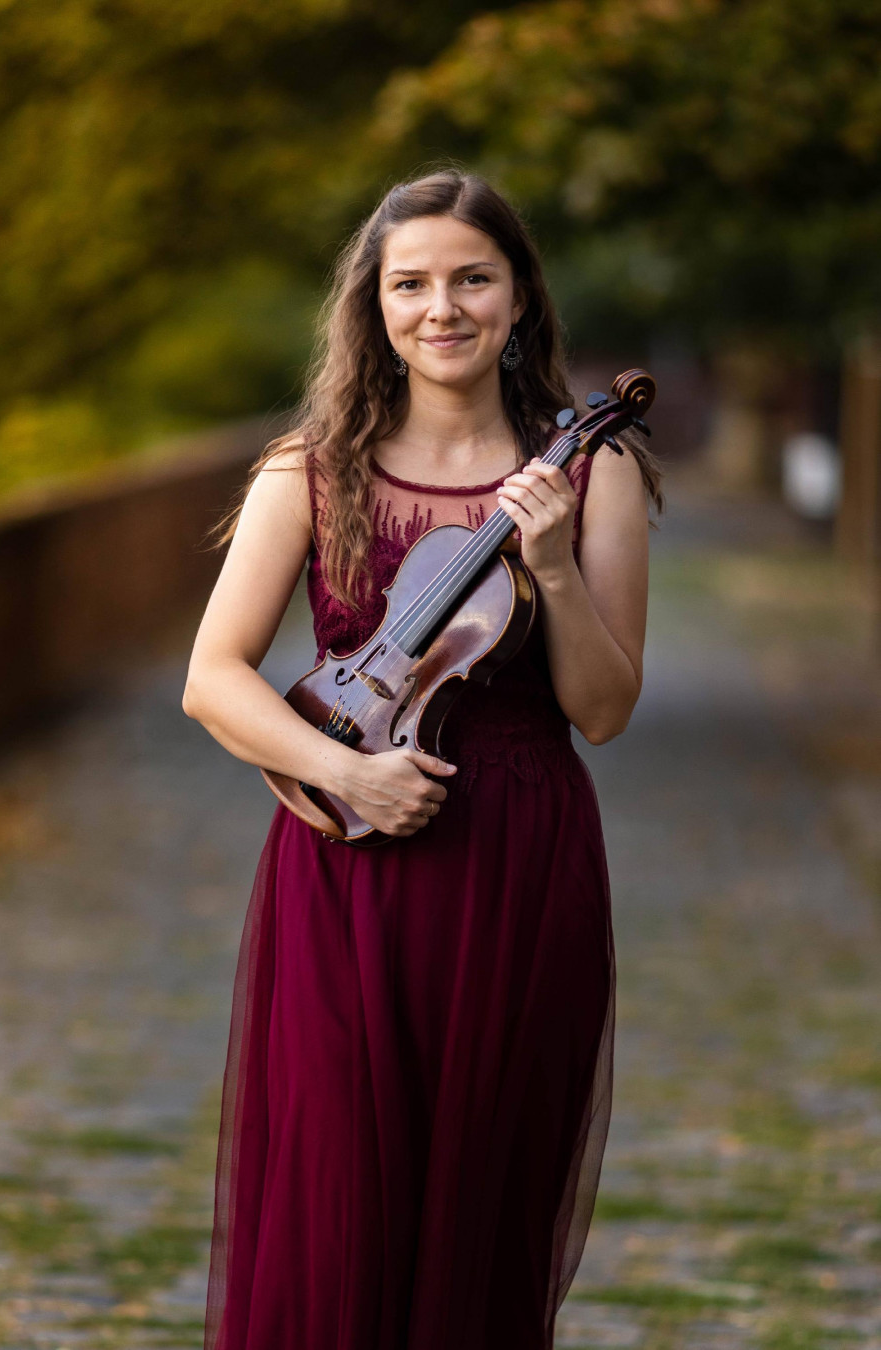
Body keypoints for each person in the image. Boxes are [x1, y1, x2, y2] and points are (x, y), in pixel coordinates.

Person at [182, 168, 663, 1350]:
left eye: (471, 278)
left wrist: (548, 564)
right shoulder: (312, 469)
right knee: (338, 1197)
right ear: (376, 305)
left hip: (519, 862)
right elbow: (214, 678)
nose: (441, 307)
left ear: (516, 297)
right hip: (346, 860)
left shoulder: (591, 477)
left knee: (483, 1211)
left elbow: (602, 711)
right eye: (412, 284)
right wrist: (345, 774)